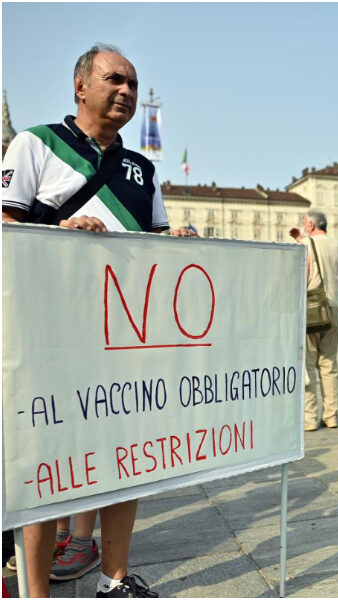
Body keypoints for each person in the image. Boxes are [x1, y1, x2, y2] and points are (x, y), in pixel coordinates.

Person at [2, 43, 196, 598]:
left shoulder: (143, 168)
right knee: (43, 465)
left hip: (121, 339)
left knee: (125, 458)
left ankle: (113, 581)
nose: (127, 92)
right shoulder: (36, 143)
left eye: (133, 84)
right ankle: (36, 593)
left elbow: (153, 239)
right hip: (46, 334)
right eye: (115, 79)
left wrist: (174, 242)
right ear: (81, 86)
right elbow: (4, 222)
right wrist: (58, 235)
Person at [289, 208, 338, 431]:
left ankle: (309, 418)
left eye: (304, 223)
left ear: (311, 225)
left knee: (308, 365)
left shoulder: (305, 246)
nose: (303, 226)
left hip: (312, 310)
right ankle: (331, 416)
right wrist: (301, 239)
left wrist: (300, 242)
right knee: (329, 365)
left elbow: (304, 276)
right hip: (333, 308)